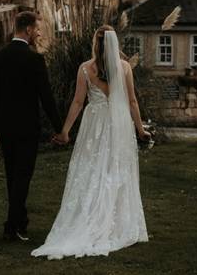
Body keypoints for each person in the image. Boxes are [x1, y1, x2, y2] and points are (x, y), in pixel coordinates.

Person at [31, 25, 151, 259]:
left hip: (94, 124)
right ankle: (117, 222)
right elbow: (132, 101)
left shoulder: (85, 69)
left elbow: (77, 103)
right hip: (118, 125)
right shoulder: (125, 68)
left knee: (91, 169)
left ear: (95, 44)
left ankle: (91, 218)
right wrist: (140, 129)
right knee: (116, 169)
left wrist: (65, 131)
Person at [0, 11, 63, 242]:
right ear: (27, 29)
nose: (39, 33)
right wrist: (60, 128)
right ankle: (13, 225)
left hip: (5, 127)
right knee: (23, 176)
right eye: (37, 29)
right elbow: (46, 98)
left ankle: (19, 221)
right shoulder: (35, 60)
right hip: (28, 128)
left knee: (12, 175)